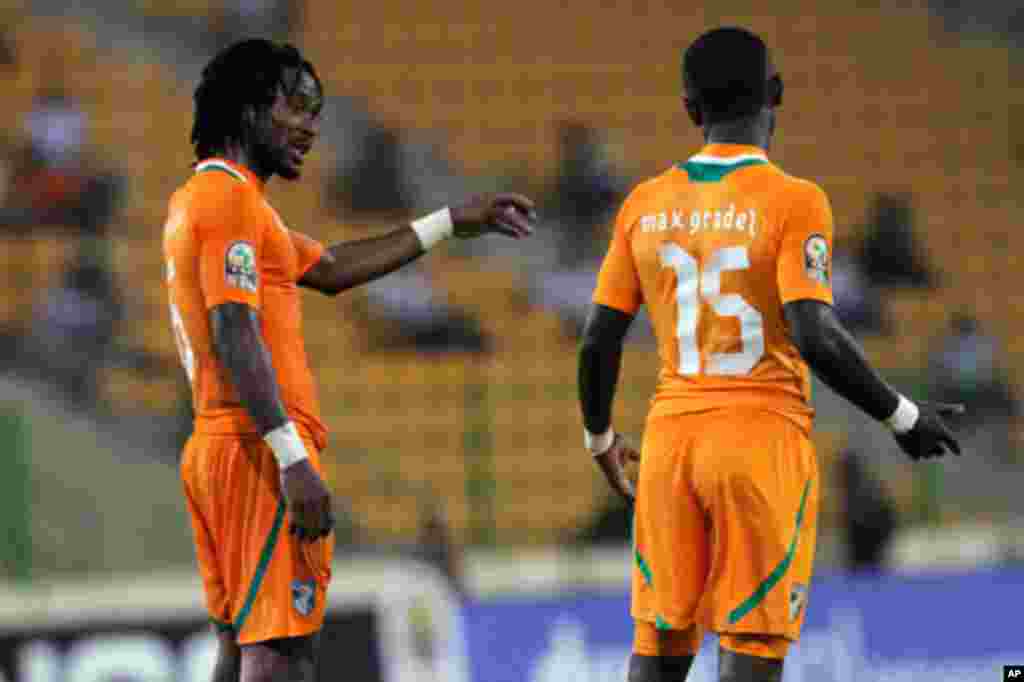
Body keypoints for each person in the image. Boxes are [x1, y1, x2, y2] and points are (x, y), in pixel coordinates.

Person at [576, 27, 962, 682]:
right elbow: (814, 333)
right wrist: (902, 416)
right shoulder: (795, 201)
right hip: (759, 441)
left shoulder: (644, 204)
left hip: (670, 446)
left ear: (690, 109)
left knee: (659, 650)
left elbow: (597, 338)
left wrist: (600, 437)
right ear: (775, 94)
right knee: (751, 650)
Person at [164, 39, 535, 682]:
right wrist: (291, 457)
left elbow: (333, 268)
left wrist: (452, 221)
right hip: (254, 446)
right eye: (298, 106)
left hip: (221, 445)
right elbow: (233, 325)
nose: (311, 126)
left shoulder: (216, 203)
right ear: (250, 109)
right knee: (281, 654)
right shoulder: (229, 202)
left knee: (240, 648)